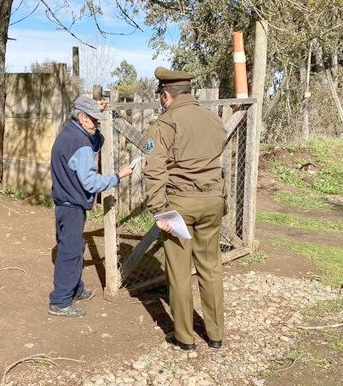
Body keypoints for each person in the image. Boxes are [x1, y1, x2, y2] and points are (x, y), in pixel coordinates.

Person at [144, 67, 227, 350]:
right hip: (213, 201)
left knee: (179, 272)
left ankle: (184, 337)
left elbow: (154, 168)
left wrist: (158, 209)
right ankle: (215, 335)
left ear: (166, 95)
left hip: (180, 205)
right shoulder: (213, 120)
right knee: (211, 268)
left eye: (161, 98)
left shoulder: (166, 123)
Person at [49, 95, 134, 317]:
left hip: (63, 203)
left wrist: (96, 112)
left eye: (98, 120)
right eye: (93, 120)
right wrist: (118, 176)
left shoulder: (69, 133)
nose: (96, 124)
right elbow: (91, 182)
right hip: (72, 205)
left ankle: (75, 289)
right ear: (80, 117)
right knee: (70, 251)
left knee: (73, 247)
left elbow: (96, 140)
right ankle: (60, 301)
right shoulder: (80, 145)